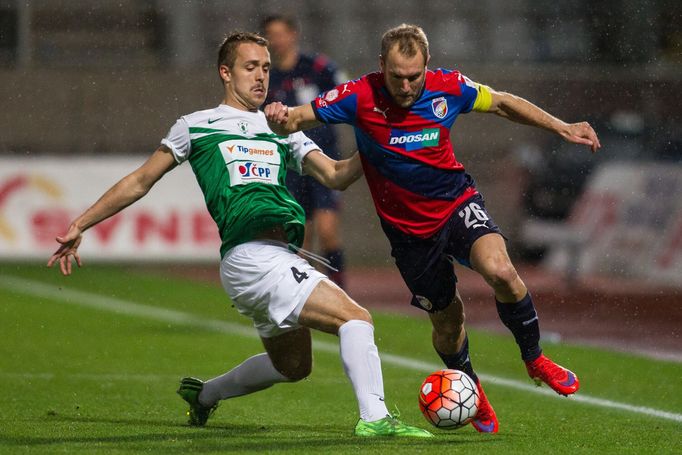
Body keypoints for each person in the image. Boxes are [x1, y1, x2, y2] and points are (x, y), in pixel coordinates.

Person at [46, 31, 432, 438]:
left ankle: (205, 395)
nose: (261, 76)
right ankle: (375, 417)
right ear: (226, 73)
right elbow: (140, 180)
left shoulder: (282, 127)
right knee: (356, 319)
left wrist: (378, 142)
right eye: (251, 67)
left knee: (293, 367)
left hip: (275, 256)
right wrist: (81, 223)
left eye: (265, 67)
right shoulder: (196, 125)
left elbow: (336, 176)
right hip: (251, 256)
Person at [265, 23, 602, 434]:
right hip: (408, 234)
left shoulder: (450, 87)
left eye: (414, 76)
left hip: (457, 202)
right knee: (448, 322)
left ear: (427, 65)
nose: (406, 86)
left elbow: (502, 103)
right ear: (381, 67)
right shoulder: (357, 95)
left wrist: (561, 126)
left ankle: (534, 359)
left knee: (501, 272)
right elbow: (298, 118)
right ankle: (472, 392)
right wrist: (280, 117)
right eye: (396, 76)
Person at [262, 14, 347, 287]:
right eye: (270, 35)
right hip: (290, 165)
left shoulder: (319, 68)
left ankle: (340, 291)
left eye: (280, 33)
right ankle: (304, 295)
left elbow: (348, 98)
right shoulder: (266, 77)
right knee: (300, 238)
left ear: (293, 34)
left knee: (328, 230)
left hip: (322, 160)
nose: (276, 41)